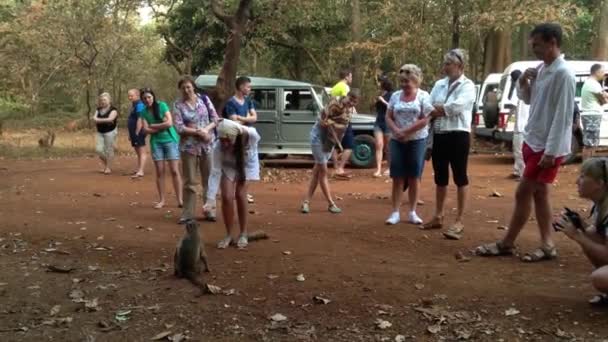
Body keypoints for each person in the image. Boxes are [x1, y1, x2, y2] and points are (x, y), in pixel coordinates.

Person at [475, 23, 576, 261]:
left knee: (524, 192)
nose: (534, 49)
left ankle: (507, 242)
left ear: (552, 43)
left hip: (548, 146)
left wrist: (550, 151)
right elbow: (531, 101)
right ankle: (547, 245)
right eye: (532, 44)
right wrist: (524, 84)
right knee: (540, 193)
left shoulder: (564, 73)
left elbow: (562, 116)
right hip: (533, 139)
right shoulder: (541, 69)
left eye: (537, 44)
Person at [420, 49, 476, 240]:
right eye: (444, 63)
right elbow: (426, 105)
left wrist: (436, 110)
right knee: (440, 176)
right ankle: (438, 215)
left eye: (448, 64)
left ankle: (459, 220)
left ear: (459, 66)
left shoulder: (468, 86)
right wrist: (439, 110)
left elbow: (457, 107)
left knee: (460, 175)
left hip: (459, 134)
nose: (445, 67)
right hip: (439, 134)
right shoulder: (439, 84)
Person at [553, 158, 608, 304]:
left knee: (600, 278)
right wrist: (580, 225)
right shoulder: (601, 205)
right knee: (588, 242)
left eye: (583, 176)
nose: (577, 181)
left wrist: (577, 236)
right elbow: (600, 240)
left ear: (599, 183)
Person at [385, 65, 434, 225]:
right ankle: (395, 212)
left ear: (416, 80)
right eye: (402, 81)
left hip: (417, 140)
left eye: (407, 81)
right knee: (397, 176)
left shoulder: (424, 96)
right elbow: (388, 116)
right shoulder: (395, 96)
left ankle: (412, 212)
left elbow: (425, 119)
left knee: (414, 176)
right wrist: (396, 131)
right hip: (397, 140)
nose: (404, 84)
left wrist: (405, 131)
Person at [301, 90, 360, 214]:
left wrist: (334, 128)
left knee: (317, 172)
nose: (351, 103)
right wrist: (329, 123)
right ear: (347, 96)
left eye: (354, 102)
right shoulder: (334, 103)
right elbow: (322, 120)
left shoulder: (348, 111)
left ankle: (306, 202)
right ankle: (331, 203)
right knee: (323, 171)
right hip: (318, 138)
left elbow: (342, 127)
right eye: (351, 99)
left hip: (330, 141)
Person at [173, 76, 219, 224]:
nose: (186, 90)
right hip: (189, 147)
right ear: (180, 90)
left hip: (207, 145)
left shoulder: (204, 100)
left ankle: (210, 210)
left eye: (188, 87)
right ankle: (188, 214)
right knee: (190, 181)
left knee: (209, 179)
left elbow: (215, 119)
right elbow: (179, 127)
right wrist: (197, 132)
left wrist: (205, 130)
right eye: (183, 88)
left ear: (193, 86)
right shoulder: (178, 105)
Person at [214, 119, 260, 249]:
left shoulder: (249, 135)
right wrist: (210, 199)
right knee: (227, 197)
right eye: (222, 140)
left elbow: (253, 132)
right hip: (228, 165)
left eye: (227, 140)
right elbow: (215, 171)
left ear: (235, 135)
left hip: (246, 164)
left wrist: (234, 125)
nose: (224, 143)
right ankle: (228, 235)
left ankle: (243, 233)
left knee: (240, 194)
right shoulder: (218, 147)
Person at [138, 88, 184, 209]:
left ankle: (180, 199)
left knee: (174, 170)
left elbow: (169, 123)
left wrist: (153, 125)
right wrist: (160, 126)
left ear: (153, 96)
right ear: (142, 100)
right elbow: (145, 129)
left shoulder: (162, 105)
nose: (147, 100)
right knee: (160, 171)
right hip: (156, 142)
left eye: (149, 97)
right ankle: (162, 200)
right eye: (144, 98)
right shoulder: (143, 112)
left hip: (170, 139)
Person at [223, 76, 258, 205]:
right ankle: (233, 191)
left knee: (247, 166)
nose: (249, 89)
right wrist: (247, 118)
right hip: (236, 139)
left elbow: (255, 118)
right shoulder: (230, 103)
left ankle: (242, 191)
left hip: (248, 137)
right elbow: (234, 122)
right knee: (236, 165)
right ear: (241, 87)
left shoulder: (248, 101)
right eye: (248, 86)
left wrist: (241, 117)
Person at [330, 69, 355, 179]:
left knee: (334, 144)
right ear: (347, 76)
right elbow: (347, 102)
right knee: (349, 145)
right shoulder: (345, 87)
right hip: (343, 119)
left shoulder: (334, 88)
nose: (351, 78)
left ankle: (335, 167)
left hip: (333, 118)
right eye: (351, 76)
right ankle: (340, 168)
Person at [580, 64, 608, 160]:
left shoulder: (591, 83)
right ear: (597, 72)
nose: (604, 74)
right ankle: (587, 168)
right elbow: (604, 99)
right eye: (603, 72)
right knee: (590, 144)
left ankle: (589, 165)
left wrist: (604, 97)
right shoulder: (593, 84)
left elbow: (603, 99)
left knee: (592, 143)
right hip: (592, 115)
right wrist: (604, 97)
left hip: (592, 115)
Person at [507, 70, 530, 179]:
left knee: (519, 151)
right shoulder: (528, 87)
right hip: (526, 125)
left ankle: (522, 173)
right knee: (520, 150)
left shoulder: (518, 87)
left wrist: (506, 121)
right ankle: (517, 170)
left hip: (520, 126)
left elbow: (512, 107)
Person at [373, 75, 394, 177]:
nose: (378, 84)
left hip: (388, 122)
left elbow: (393, 107)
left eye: (379, 82)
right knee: (379, 145)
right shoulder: (380, 94)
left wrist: (383, 101)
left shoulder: (391, 95)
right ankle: (378, 169)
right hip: (378, 121)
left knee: (388, 147)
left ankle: (390, 168)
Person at [93, 92, 119, 175]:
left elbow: (110, 119)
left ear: (109, 100)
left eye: (104, 99)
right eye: (101, 100)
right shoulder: (98, 109)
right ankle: (107, 164)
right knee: (99, 150)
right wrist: (104, 120)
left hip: (110, 131)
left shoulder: (113, 110)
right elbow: (94, 118)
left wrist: (98, 120)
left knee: (108, 150)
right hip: (100, 132)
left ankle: (108, 167)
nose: (103, 101)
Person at [127, 89, 147, 178]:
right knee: (137, 151)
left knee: (141, 151)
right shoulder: (134, 105)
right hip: (133, 132)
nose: (130, 97)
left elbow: (140, 119)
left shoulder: (139, 105)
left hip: (138, 131)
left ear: (137, 95)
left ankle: (141, 170)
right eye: (129, 96)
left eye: (131, 95)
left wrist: (137, 132)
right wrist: (130, 134)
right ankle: (139, 168)